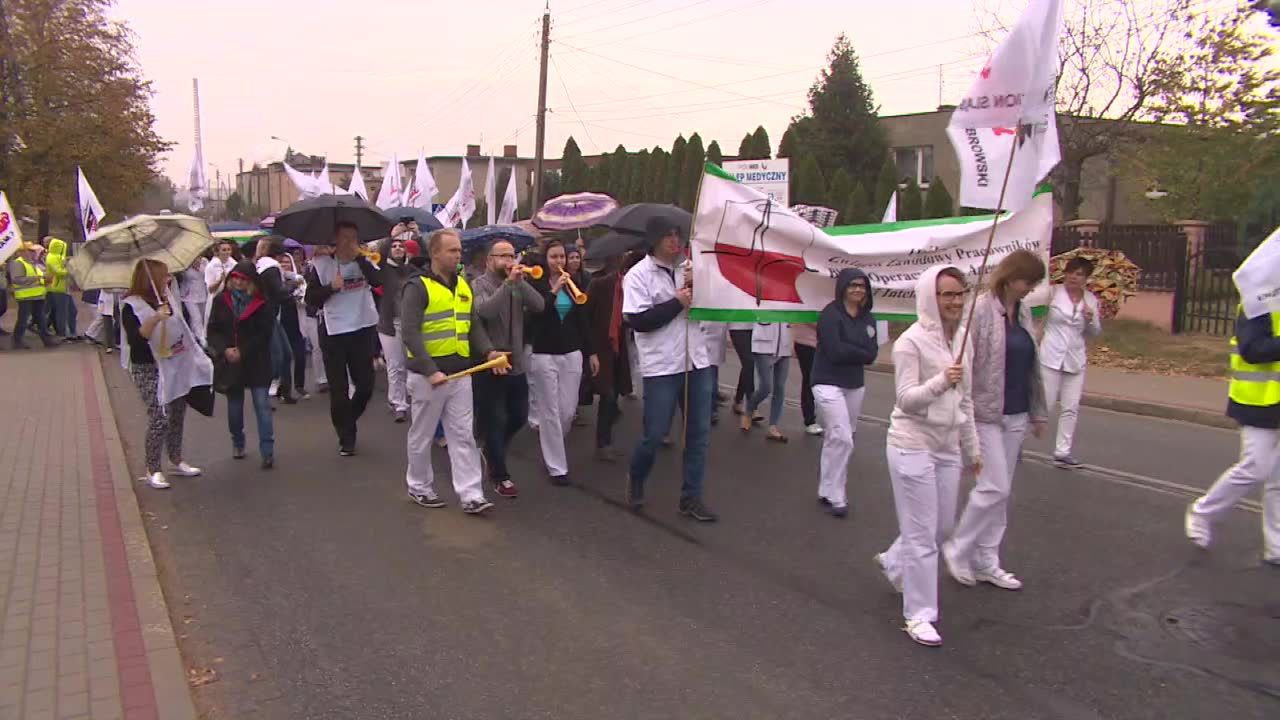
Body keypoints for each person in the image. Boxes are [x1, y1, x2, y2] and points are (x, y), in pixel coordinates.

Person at [875, 265, 981, 647]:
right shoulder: (911, 343)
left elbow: (965, 399)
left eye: (959, 293)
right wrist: (940, 381)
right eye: (946, 294)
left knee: (941, 527)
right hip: (911, 442)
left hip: (947, 445)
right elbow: (906, 399)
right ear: (929, 298)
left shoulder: (963, 340)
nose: (955, 301)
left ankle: (894, 560)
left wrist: (973, 448)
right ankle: (919, 615)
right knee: (923, 536)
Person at [944, 250, 1047, 592]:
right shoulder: (981, 310)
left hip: (1015, 411)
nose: (1030, 288)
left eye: (1034, 283)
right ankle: (958, 549)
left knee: (1001, 494)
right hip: (985, 413)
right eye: (1027, 281)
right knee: (993, 487)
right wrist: (962, 411)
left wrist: (1038, 412)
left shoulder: (1025, 311)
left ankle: (987, 559)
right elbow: (965, 362)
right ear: (1011, 276)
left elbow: (1032, 364)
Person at [401, 228, 506, 514]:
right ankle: (419, 486)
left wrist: (488, 352)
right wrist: (429, 369)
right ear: (435, 253)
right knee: (422, 435)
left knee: (462, 434)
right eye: (452, 250)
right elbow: (410, 333)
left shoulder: (463, 285)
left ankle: (471, 494)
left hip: (460, 373)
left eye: (459, 250)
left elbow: (472, 326)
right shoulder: (417, 286)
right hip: (429, 376)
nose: (458, 255)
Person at [623, 218, 718, 522]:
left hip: (696, 361)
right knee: (654, 434)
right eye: (668, 237)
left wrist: (698, 285)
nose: (675, 242)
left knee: (698, 434)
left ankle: (691, 497)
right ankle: (637, 477)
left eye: (678, 236)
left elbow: (714, 304)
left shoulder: (692, 269)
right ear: (654, 240)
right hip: (662, 365)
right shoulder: (638, 275)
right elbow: (637, 320)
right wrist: (677, 302)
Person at [1185, 305, 1280, 564]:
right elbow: (1252, 350)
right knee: (1255, 468)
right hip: (1258, 401)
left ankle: (1276, 547)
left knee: (1278, 479)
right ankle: (1203, 512)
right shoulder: (1256, 303)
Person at [120, 259, 209, 489]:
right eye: (164, 276)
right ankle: (153, 468)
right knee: (160, 415)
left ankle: (176, 459)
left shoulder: (167, 298)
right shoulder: (131, 305)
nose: (168, 280)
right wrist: (155, 318)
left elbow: (181, 328)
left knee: (178, 411)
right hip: (147, 367)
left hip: (172, 362)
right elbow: (137, 340)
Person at [472, 239, 545, 497]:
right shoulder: (478, 284)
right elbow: (486, 312)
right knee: (495, 419)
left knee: (519, 416)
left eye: (511, 255)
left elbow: (539, 305)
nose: (508, 260)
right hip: (491, 360)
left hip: (516, 360)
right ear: (489, 260)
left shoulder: (517, 283)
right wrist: (508, 284)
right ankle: (500, 475)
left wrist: (521, 282)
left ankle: (492, 450)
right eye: (502, 256)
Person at [304, 222, 381, 456]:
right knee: (338, 390)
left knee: (366, 386)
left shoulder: (366, 262)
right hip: (334, 331)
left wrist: (360, 260)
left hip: (362, 328)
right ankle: (346, 438)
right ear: (335, 241)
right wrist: (331, 287)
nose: (350, 242)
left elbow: (379, 282)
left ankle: (348, 420)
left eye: (354, 238)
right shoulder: (321, 265)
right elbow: (311, 299)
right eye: (345, 238)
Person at [527, 240, 598, 485]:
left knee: (567, 410)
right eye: (554, 257)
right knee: (550, 411)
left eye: (562, 257)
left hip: (572, 352)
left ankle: (552, 440)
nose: (559, 262)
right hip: (544, 353)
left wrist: (591, 352)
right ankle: (557, 466)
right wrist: (554, 289)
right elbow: (537, 314)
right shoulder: (534, 284)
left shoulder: (573, 284)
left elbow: (583, 322)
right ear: (545, 259)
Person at [813, 269, 879, 518]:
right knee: (843, 438)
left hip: (854, 384)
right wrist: (858, 350)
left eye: (862, 286)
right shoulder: (830, 315)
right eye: (852, 285)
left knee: (838, 436)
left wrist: (852, 349)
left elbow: (872, 354)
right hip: (827, 381)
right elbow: (834, 351)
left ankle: (825, 488)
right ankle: (838, 494)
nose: (857, 290)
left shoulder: (869, 319)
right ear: (842, 287)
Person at [207, 261, 276, 468]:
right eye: (235, 278)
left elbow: (264, 333)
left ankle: (267, 450)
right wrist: (224, 349)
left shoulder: (261, 302)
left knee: (262, 406)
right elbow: (213, 330)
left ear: (251, 282)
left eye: (242, 279)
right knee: (234, 407)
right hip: (231, 362)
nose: (238, 282)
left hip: (256, 360)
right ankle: (238, 441)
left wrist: (243, 351)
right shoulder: (221, 300)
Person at [1039, 257, 1102, 468]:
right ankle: (1018, 441)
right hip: (1050, 355)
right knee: (1044, 405)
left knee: (1071, 407)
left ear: (1086, 278)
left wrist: (1090, 318)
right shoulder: (1052, 293)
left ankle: (1062, 451)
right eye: (1071, 272)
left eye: (1079, 274)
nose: (1074, 277)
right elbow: (1036, 317)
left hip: (1075, 359)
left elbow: (1095, 333)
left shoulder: (1091, 300)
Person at [585, 253, 633, 461]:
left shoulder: (631, 289)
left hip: (619, 349)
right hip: (601, 347)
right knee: (608, 395)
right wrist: (590, 351)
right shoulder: (598, 285)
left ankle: (606, 435)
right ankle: (603, 443)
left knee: (615, 395)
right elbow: (585, 317)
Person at [376, 233, 415, 422]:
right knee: (395, 365)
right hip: (389, 324)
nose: (399, 248)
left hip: (410, 324)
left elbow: (425, 256)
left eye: (402, 246)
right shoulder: (383, 270)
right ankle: (398, 403)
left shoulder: (411, 270)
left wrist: (415, 233)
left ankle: (405, 398)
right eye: (395, 246)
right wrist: (391, 235)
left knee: (409, 365)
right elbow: (381, 253)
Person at [254, 236, 297, 403]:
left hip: (269, 316)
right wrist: (292, 288)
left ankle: (284, 391)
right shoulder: (271, 268)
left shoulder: (262, 265)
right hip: (267, 317)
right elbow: (278, 292)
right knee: (278, 357)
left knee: (284, 354)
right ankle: (262, 394)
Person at [740, 321, 793, 443]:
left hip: (784, 344)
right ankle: (749, 410)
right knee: (765, 387)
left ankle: (773, 426)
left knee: (779, 387)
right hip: (763, 344)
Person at [8, 242, 55, 349]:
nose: (32, 253)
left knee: (41, 319)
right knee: (23, 319)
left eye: (32, 251)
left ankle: (47, 340)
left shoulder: (31, 263)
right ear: (21, 252)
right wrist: (38, 279)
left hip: (37, 296)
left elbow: (36, 277)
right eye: (29, 251)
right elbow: (17, 279)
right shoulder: (17, 263)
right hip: (25, 296)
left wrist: (44, 279)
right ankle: (17, 340)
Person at [277, 251, 310, 400]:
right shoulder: (275, 280)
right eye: (282, 262)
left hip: (297, 322)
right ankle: (284, 390)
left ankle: (300, 385)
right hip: (280, 322)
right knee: (284, 358)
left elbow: (304, 297)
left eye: (287, 262)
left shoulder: (299, 279)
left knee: (300, 356)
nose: (284, 265)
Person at [792, 322, 823, 435]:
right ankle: (809, 420)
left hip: (825, 344)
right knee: (810, 379)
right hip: (806, 342)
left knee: (826, 381)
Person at [44, 238, 76, 343]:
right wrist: (69, 269)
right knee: (62, 312)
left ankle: (72, 332)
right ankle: (62, 334)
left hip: (64, 288)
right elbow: (59, 272)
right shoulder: (51, 257)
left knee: (72, 311)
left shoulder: (58, 257)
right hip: (57, 288)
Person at [178, 252, 210, 343]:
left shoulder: (204, 261)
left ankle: (193, 336)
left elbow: (208, 274)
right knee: (196, 317)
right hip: (189, 295)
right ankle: (201, 339)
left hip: (202, 293)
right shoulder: (184, 264)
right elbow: (181, 277)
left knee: (202, 316)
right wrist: (190, 266)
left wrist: (199, 265)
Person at [728, 321, 755, 415]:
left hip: (755, 326)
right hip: (738, 326)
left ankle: (738, 399)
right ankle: (751, 405)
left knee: (749, 365)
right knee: (749, 362)